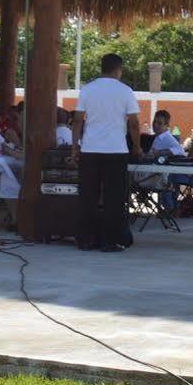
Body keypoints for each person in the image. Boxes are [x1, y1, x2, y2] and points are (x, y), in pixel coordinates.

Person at [74, 53, 140, 252]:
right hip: (116, 150)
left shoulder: (87, 89)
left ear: (102, 68)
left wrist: (74, 146)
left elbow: (77, 120)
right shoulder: (126, 91)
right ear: (118, 70)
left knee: (88, 197)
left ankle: (86, 240)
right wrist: (137, 147)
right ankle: (109, 242)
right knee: (114, 198)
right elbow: (134, 124)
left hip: (90, 150)